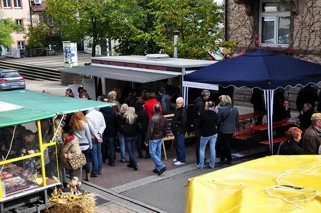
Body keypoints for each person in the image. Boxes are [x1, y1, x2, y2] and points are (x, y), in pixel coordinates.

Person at [145, 104, 167, 175]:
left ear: (154, 109)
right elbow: (165, 128)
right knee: (158, 153)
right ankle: (158, 168)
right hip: (160, 137)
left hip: (154, 138)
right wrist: (164, 135)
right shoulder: (163, 117)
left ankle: (161, 165)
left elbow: (150, 131)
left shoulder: (153, 119)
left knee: (152, 153)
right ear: (160, 109)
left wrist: (146, 140)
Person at [69, 111, 92, 181]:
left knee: (78, 162)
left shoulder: (73, 125)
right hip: (86, 145)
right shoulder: (85, 124)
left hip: (77, 146)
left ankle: (79, 177)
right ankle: (88, 176)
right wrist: (90, 144)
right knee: (87, 160)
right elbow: (88, 135)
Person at [217, 95, 239, 165]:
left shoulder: (221, 109)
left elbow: (218, 121)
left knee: (226, 145)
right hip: (232, 129)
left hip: (224, 129)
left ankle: (229, 158)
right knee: (226, 144)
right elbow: (237, 120)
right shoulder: (235, 108)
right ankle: (222, 159)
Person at [85, 108, 106, 177]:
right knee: (99, 152)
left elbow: (91, 128)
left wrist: (97, 136)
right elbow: (104, 125)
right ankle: (99, 169)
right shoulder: (100, 113)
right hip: (100, 135)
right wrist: (99, 134)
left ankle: (95, 171)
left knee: (94, 154)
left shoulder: (87, 116)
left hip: (93, 137)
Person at [197, 101, 218, 169]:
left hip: (205, 133)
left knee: (202, 149)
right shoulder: (215, 114)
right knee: (212, 148)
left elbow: (199, 124)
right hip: (214, 132)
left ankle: (201, 165)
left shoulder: (203, 114)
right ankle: (212, 165)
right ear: (213, 106)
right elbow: (217, 122)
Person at [192, 89, 210, 164]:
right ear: (205, 96)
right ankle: (200, 159)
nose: (208, 97)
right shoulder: (201, 103)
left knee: (199, 142)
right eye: (208, 96)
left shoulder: (198, 101)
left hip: (197, 124)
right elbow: (201, 115)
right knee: (200, 143)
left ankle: (200, 158)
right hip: (199, 125)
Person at [100, 98, 117, 167]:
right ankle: (112, 161)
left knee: (104, 146)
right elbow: (115, 122)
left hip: (104, 131)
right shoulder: (113, 112)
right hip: (112, 131)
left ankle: (103, 159)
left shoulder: (101, 113)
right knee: (111, 147)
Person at [172, 97, 187, 166]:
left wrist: (176, 123)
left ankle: (182, 160)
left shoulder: (183, 111)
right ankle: (178, 158)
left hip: (180, 130)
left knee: (180, 145)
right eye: (177, 103)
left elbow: (183, 121)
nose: (178, 104)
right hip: (177, 130)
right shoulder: (178, 110)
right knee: (178, 145)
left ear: (182, 103)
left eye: (179, 103)